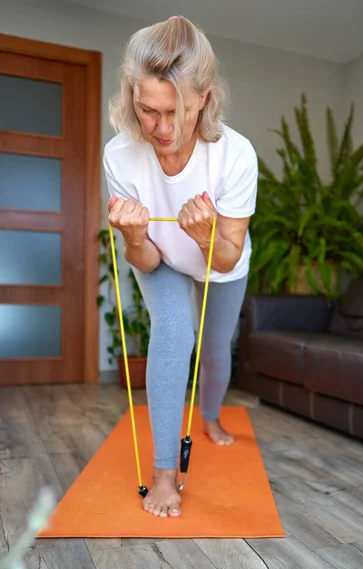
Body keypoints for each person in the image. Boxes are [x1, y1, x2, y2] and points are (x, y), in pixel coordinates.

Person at [104, 15, 258, 519]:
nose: (162, 129)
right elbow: (143, 256)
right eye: (149, 111)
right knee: (173, 331)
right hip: (163, 255)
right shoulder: (119, 156)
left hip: (219, 260)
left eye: (178, 112)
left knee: (215, 350)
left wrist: (207, 236)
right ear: (133, 97)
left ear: (204, 99)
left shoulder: (236, 156)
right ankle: (165, 474)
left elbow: (229, 253)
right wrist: (132, 234)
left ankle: (209, 415)